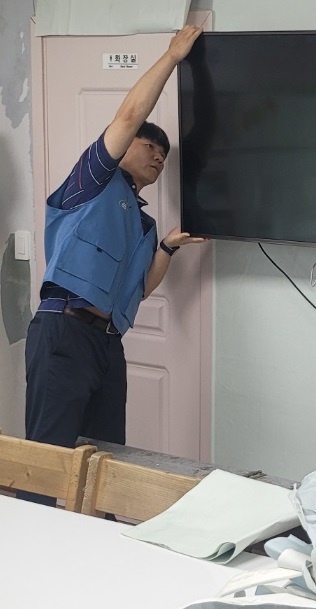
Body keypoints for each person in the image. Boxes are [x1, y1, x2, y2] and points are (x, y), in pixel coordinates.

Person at [24, 25, 207, 470]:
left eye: (164, 156)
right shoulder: (91, 181)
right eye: (150, 146)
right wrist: (172, 57)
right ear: (124, 146)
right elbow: (127, 116)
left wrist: (167, 247)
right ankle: (35, 516)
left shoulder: (143, 225)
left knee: (103, 462)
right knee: (49, 459)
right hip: (64, 331)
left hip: (107, 346)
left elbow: (140, 290)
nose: (158, 157)